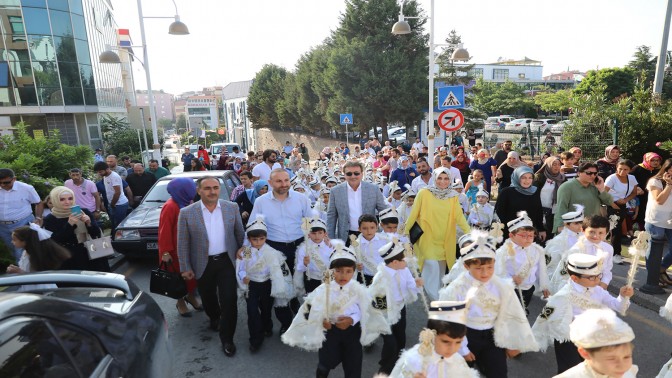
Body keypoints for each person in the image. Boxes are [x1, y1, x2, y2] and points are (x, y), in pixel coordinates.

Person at [281, 241, 390, 378]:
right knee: (325, 365)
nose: (343, 275)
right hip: (330, 332)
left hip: (352, 332)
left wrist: (352, 319)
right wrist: (321, 321)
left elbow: (366, 310)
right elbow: (310, 310)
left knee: (353, 367)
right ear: (331, 271)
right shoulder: (323, 290)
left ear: (354, 272)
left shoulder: (358, 290)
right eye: (338, 271)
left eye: (348, 271)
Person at [439, 230, 539, 378]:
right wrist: (462, 349)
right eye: (479, 268)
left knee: (498, 373)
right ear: (467, 266)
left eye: (490, 267)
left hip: (493, 336)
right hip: (467, 335)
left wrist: (513, 343)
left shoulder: (501, 286)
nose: (485, 273)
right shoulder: (456, 289)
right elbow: (449, 322)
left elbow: (512, 313)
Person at [532, 254, 633, 375]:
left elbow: (618, 306)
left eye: (598, 276)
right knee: (570, 370)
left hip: (591, 337)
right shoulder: (564, 295)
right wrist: (529, 339)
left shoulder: (598, 290)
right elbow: (545, 317)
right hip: (568, 339)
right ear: (575, 278)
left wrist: (623, 296)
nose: (597, 280)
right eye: (591, 277)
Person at [177, 176, 245, 357]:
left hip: (227, 262)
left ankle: (227, 339)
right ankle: (214, 317)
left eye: (215, 187)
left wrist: (244, 253)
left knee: (229, 300)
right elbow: (182, 243)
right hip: (202, 263)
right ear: (199, 191)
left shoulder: (231, 208)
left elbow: (241, 234)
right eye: (207, 188)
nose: (212, 191)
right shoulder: (187, 213)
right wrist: (185, 267)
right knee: (208, 299)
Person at [249, 169, 312, 318]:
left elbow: (311, 223)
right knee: (279, 287)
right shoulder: (261, 202)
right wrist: (246, 250)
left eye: (286, 180)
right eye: (279, 181)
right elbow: (253, 227)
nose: (284, 184)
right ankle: (285, 322)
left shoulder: (301, 199)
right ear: (270, 183)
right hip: (274, 248)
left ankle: (300, 317)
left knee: (300, 284)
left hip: (299, 247)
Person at [404, 167, 470, 301]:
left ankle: (439, 298)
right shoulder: (424, 193)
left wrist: (471, 234)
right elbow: (414, 213)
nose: (442, 181)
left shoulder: (453, 196)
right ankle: (437, 301)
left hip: (445, 240)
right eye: (439, 178)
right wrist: (405, 234)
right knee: (431, 267)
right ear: (434, 178)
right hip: (427, 239)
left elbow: (459, 217)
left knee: (440, 273)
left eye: (446, 178)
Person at [237, 215, 294, 353]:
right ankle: (255, 339)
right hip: (252, 285)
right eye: (254, 239)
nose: (258, 242)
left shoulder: (271, 252)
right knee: (252, 311)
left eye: (261, 239)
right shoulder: (246, 251)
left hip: (267, 284)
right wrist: (244, 276)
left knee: (266, 308)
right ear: (249, 239)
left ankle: (267, 326)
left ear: (266, 238)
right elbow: (241, 268)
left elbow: (277, 270)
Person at [368, 239, 423, 375]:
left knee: (400, 336)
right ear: (394, 262)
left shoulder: (404, 270)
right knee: (390, 341)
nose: (407, 261)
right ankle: (385, 368)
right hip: (385, 313)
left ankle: (399, 361)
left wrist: (416, 284)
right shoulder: (381, 277)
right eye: (404, 259)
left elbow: (411, 286)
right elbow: (376, 299)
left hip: (400, 307)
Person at [390, 300, 478, 377]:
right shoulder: (415, 360)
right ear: (431, 335)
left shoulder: (457, 360)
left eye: (458, 342)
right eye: (445, 341)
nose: (452, 348)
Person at [158, 178, 202, 317]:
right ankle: (180, 302)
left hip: (188, 247)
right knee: (177, 278)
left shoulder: (187, 202)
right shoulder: (170, 206)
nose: (195, 190)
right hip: (174, 250)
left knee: (190, 276)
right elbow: (164, 231)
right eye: (191, 187)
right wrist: (165, 252)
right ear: (183, 189)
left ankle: (190, 297)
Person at [43, 186, 110, 272]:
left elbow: (96, 234)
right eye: (62, 199)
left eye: (70, 198)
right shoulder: (50, 218)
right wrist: (70, 224)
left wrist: (89, 223)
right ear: (55, 200)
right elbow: (55, 240)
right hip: (69, 257)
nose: (67, 202)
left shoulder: (84, 211)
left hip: (92, 251)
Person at [556, 308, 637, 378]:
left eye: (626, 357)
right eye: (611, 358)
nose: (622, 366)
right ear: (585, 353)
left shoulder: (626, 373)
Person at [495, 211, 550, 313]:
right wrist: (509, 279)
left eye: (531, 235)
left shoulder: (537, 250)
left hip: (529, 289)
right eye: (524, 235)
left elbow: (541, 270)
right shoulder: (503, 252)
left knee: (522, 312)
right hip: (511, 290)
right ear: (511, 235)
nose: (528, 239)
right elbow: (497, 272)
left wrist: (544, 286)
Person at [549, 215, 615, 293]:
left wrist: (604, 283)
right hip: (577, 288)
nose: (596, 236)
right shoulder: (576, 249)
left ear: (606, 233)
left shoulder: (608, 249)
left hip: (598, 287)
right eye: (591, 232)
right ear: (583, 230)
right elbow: (565, 273)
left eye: (601, 233)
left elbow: (607, 269)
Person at [327, 161, 388, 242]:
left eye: (356, 173)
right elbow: (331, 216)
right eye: (349, 174)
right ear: (344, 175)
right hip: (346, 236)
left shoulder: (373, 189)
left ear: (362, 174)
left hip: (370, 235)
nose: (353, 176)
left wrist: (387, 233)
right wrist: (331, 239)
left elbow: (383, 211)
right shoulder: (335, 191)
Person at [553, 162, 613, 234]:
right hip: (573, 229)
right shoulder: (567, 187)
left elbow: (609, 202)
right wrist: (561, 227)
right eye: (588, 173)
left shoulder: (595, 186)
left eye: (595, 173)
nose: (592, 176)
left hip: (592, 228)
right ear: (579, 173)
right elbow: (561, 208)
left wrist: (601, 189)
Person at [6, 224, 70, 291]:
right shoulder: (25, 252)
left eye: (14, 240)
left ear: (24, 241)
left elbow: (37, 278)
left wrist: (19, 271)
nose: (12, 242)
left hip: (40, 290)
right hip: (28, 287)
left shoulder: (36, 256)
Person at [0, 168, 41, 262]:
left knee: (20, 252)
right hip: (2, 227)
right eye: (0, 183)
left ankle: (23, 274)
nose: (2, 185)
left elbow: (38, 203)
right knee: (12, 250)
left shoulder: (26, 188)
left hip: (22, 223)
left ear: (14, 179)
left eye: (6, 182)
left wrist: (38, 217)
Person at [495, 166, 546, 240]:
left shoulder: (535, 191)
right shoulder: (506, 192)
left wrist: (541, 229)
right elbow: (499, 214)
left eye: (530, 178)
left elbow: (538, 211)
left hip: (529, 233)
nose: (527, 181)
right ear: (517, 178)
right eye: (523, 177)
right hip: (510, 234)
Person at [604, 160, 640, 264]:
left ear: (630, 170)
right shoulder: (612, 178)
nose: (622, 171)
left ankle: (611, 252)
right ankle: (616, 254)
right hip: (610, 205)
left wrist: (626, 200)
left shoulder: (631, 178)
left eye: (625, 169)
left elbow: (634, 193)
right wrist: (612, 204)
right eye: (620, 169)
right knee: (615, 229)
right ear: (616, 168)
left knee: (617, 229)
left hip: (623, 206)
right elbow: (603, 193)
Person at [644, 158, 672, 287]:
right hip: (656, 220)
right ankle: (653, 279)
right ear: (665, 169)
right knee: (654, 248)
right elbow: (659, 200)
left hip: (670, 221)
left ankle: (661, 268)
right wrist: (669, 185)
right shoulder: (655, 181)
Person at [545, 205, 584, 280]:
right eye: (576, 223)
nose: (580, 226)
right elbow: (552, 264)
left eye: (581, 222)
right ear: (566, 224)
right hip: (562, 276)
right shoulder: (558, 241)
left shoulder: (582, 237)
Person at [294, 217, 332, 295]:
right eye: (313, 233)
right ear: (308, 234)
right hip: (311, 280)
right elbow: (299, 268)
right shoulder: (304, 248)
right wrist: (304, 263)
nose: (317, 236)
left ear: (325, 234)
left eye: (320, 233)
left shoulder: (330, 246)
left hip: (328, 279)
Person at [351, 214, 387, 286]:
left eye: (372, 227)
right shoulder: (356, 245)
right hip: (365, 277)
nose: (369, 231)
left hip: (383, 276)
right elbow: (351, 259)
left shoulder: (384, 240)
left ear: (377, 227)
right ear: (359, 229)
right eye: (365, 228)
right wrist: (355, 266)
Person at [93, 161, 129, 233]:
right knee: (113, 224)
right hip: (113, 204)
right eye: (98, 172)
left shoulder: (114, 176)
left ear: (107, 169)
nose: (99, 174)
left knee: (119, 225)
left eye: (100, 172)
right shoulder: (106, 176)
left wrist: (112, 204)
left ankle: (120, 241)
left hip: (119, 204)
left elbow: (117, 192)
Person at [534, 156, 565, 236]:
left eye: (559, 164)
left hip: (557, 210)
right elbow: (534, 194)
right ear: (548, 165)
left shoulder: (562, 178)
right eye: (554, 164)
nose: (557, 167)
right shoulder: (540, 177)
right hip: (542, 211)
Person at [632, 152, 662, 232]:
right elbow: (630, 179)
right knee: (640, 212)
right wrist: (637, 188)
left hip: (654, 195)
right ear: (647, 160)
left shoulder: (660, 169)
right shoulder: (638, 168)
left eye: (657, 160)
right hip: (640, 195)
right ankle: (641, 231)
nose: (655, 162)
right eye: (652, 160)